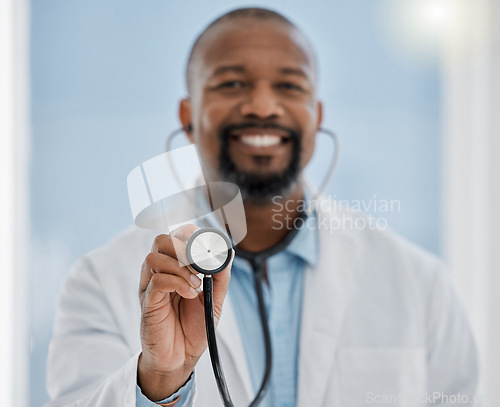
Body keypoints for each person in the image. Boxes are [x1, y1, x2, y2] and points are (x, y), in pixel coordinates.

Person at [45, 7, 487, 407]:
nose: (261, 105)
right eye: (231, 83)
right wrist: (159, 381)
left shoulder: (419, 284)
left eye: (289, 85)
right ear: (188, 117)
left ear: (316, 115)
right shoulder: (99, 283)